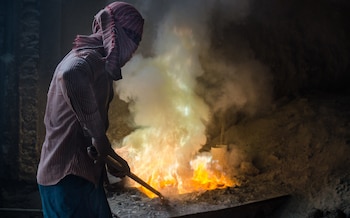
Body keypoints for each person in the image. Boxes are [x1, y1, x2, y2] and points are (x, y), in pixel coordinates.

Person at [36, 2, 144, 217]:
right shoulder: (87, 59)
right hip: (67, 179)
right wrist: (98, 136)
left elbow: (85, 132)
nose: (133, 50)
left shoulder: (98, 60)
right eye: (134, 39)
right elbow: (70, 74)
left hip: (84, 177)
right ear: (118, 34)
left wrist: (110, 156)